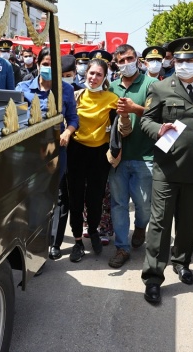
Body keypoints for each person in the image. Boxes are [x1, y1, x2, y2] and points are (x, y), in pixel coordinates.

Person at [141, 37, 193, 304]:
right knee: (160, 223)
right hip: (167, 167)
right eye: (180, 60)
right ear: (173, 61)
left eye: (190, 60)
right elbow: (146, 120)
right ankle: (153, 276)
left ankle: (182, 261)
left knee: (189, 222)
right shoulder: (161, 87)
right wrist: (158, 129)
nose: (185, 64)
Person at [67, 51, 130, 263]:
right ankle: (77, 241)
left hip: (99, 154)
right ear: (85, 73)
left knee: (95, 198)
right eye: (91, 73)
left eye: (98, 74)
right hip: (76, 151)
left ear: (105, 78)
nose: (93, 77)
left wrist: (124, 116)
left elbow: (124, 127)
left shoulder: (112, 99)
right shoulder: (76, 96)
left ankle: (93, 230)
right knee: (75, 198)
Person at [17, 49, 79, 261]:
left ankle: (48, 243)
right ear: (37, 63)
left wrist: (68, 132)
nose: (48, 67)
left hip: (55, 151)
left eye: (53, 64)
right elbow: (10, 114)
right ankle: (26, 241)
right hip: (28, 152)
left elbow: (73, 118)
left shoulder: (66, 90)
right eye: (45, 62)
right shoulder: (23, 88)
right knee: (29, 197)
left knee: (50, 196)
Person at [106, 44, 158, 268]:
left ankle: (139, 227)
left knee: (144, 204)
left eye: (129, 58)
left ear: (137, 59)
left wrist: (135, 108)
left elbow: (159, 114)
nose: (126, 63)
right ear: (116, 64)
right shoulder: (112, 86)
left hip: (145, 155)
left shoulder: (151, 84)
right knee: (118, 203)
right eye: (121, 61)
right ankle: (121, 248)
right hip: (118, 156)